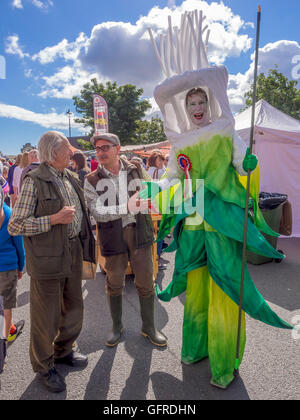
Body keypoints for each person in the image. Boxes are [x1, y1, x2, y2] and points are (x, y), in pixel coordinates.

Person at [143, 11, 292, 389]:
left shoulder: (228, 132)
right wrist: (150, 190)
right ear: (184, 107)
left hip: (223, 224)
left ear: (208, 104)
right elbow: (174, 179)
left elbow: (243, 167)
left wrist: (249, 166)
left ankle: (224, 364)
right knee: (196, 290)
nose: (196, 108)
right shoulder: (180, 143)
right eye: (190, 103)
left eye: (200, 102)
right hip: (194, 226)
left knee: (225, 288)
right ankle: (194, 349)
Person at [8, 131, 95, 393]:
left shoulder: (68, 176)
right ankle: (44, 367)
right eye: (66, 148)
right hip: (46, 258)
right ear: (52, 152)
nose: (71, 152)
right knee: (46, 318)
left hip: (71, 252)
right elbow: (16, 225)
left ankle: (63, 351)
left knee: (74, 309)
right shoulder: (35, 180)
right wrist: (53, 219)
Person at [84, 133, 167, 348]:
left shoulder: (136, 169)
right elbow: (98, 213)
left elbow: (152, 190)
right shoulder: (91, 179)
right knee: (114, 283)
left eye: (105, 147)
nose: (100, 152)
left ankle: (148, 327)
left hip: (140, 232)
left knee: (146, 281)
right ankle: (117, 327)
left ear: (117, 148)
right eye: (98, 148)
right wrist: (126, 208)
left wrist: (155, 201)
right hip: (113, 237)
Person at [0, 168, 25, 354]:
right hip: (8, 267)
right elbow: (19, 245)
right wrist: (21, 266)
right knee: (7, 305)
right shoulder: (9, 214)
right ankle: (5, 338)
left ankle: (9, 331)